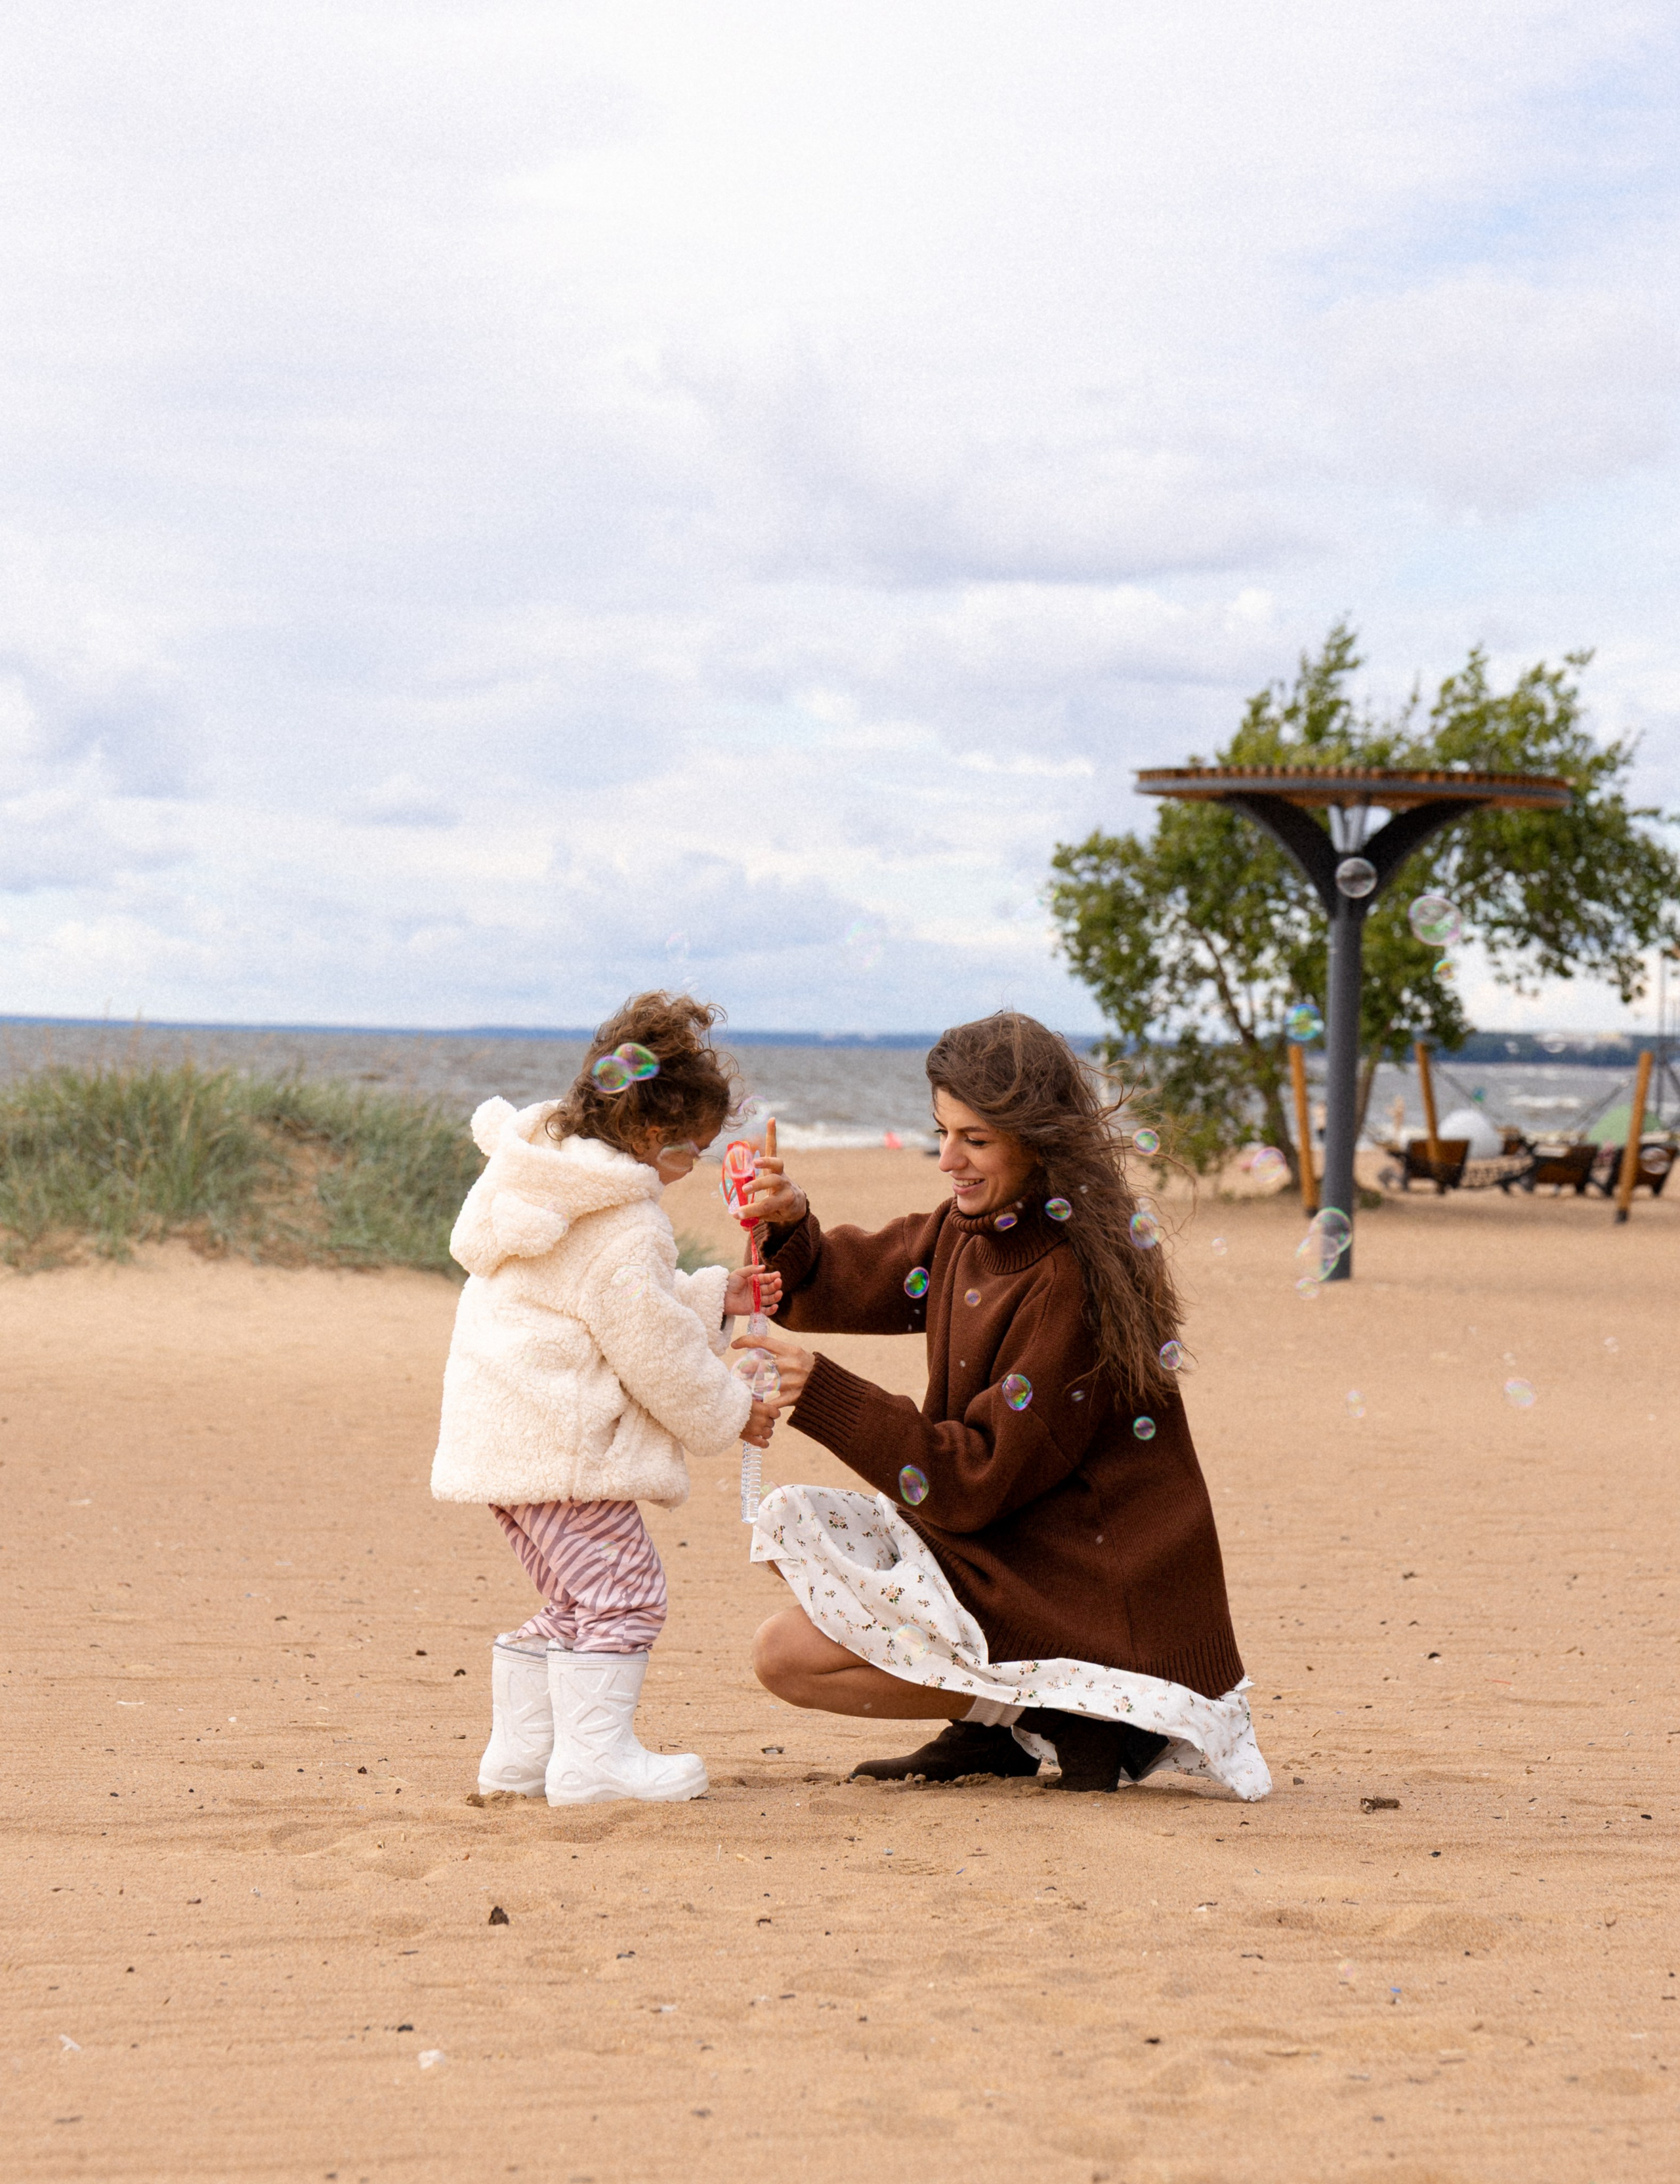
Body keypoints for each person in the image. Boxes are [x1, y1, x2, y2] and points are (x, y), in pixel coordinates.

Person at [737, 1011, 1269, 1799]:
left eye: (975, 1140)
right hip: (1005, 1543)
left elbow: (972, 1477)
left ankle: (1065, 1710)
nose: (947, 1158)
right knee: (789, 1636)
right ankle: (999, 1726)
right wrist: (792, 1231)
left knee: (787, 1655)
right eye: (941, 1131)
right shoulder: (974, 1223)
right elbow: (871, 1272)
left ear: (1037, 1138)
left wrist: (819, 1387)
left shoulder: (1071, 1276)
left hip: (1086, 1585)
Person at [431, 992, 779, 1806]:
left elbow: (612, 1303)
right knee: (626, 1595)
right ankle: (594, 1765)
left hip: (506, 1441)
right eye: (693, 1150)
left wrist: (712, 1295)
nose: (693, 1165)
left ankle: (522, 1760)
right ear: (655, 1137)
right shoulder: (624, 1223)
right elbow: (651, 1349)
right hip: (563, 1443)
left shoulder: (541, 1184)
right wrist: (735, 1410)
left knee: (573, 1599)